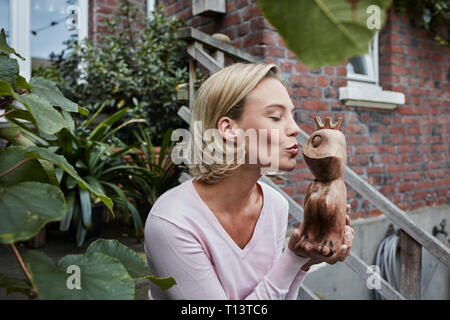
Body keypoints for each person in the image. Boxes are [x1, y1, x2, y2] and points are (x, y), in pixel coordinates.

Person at [144, 63, 354, 300]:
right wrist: (293, 257)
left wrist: (306, 259)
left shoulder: (275, 205)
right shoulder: (172, 222)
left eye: (292, 116)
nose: (295, 129)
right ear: (229, 129)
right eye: (276, 117)